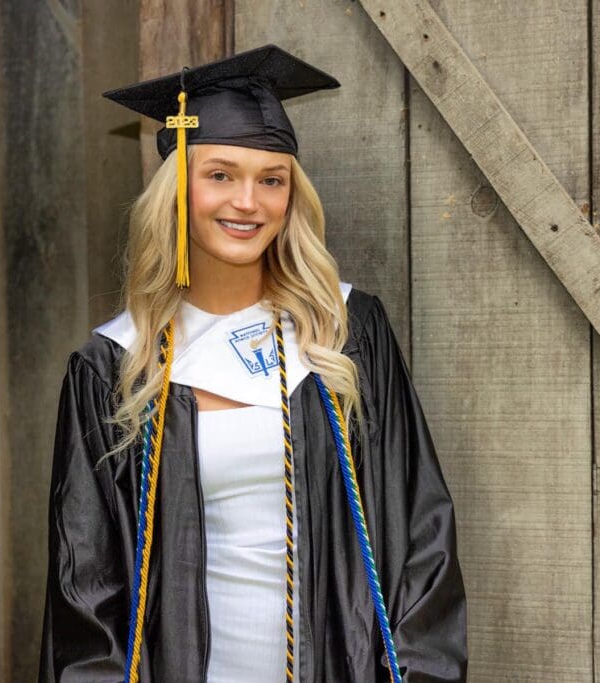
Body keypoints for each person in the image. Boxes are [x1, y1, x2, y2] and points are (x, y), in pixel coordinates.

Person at [39, 44, 467, 682]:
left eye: (271, 179)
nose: (248, 201)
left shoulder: (344, 333)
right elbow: (84, 588)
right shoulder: (114, 366)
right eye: (220, 174)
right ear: (177, 189)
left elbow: (421, 536)